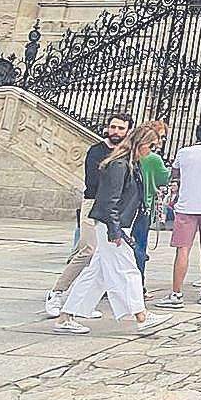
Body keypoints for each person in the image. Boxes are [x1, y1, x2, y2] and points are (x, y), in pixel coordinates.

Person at [53, 124, 157, 335]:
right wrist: (114, 230)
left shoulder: (129, 164)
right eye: (152, 145)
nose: (153, 150)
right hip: (113, 225)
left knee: (96, 274)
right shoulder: (119, 165)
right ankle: (141, 315)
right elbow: (109, 200)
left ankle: (66, 316)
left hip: (117, 224)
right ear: (141, 143)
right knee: (127, 269)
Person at [46, 109, 132, 318]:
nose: (116, 131)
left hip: (113, 208)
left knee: (101, 257)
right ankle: (56, 292)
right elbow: (93, 180)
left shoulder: (127, 153)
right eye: (113, 126)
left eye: (121, 128)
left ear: (128, 131)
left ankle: (80, 305)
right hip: (94, 203)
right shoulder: (97, 150)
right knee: (88, 249)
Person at [156, 120, 201, 308]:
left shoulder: (184, 152)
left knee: (183, 249)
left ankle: (176, 293)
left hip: (187, 206)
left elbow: (175, 174)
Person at [132, 121, 171, 284]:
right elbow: (164, 178)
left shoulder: (132, 154)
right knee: (139, 246)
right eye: (160, 138)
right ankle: (139, 284)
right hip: (144, 206)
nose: (161, 142)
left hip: (130, 206)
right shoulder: (153, 158)